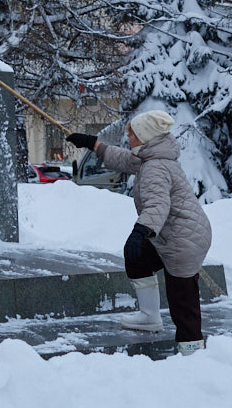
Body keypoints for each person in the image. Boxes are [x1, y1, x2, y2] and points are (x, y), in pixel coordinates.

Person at [67, 110, 212, 354]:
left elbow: (158, 205)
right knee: (138, 257)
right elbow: (124, 159)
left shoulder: (155, 167)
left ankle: (193, 351)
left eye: (132, 132)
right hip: (172, 234)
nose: (128, 135)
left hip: (183, 240)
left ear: (145, 136)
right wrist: (94, 144)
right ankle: (149, 317)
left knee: (183, 300)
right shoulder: (151, 156)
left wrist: (140, 230)